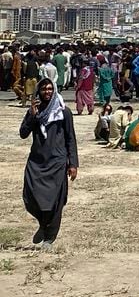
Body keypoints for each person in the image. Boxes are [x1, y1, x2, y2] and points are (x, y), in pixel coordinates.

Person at [19, 79, 78, 249]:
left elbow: (70, 138)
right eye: (44, 89)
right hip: (37, 161)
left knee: (55, 201)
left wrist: (72, 163)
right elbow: (23, 133)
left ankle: (49, 237)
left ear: (54, 90)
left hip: (57, 162)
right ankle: (42, 224)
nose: (47, 91)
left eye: (50, 88)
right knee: (30, 196)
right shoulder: (35, 110)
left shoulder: (63, 112)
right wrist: (32, 115)